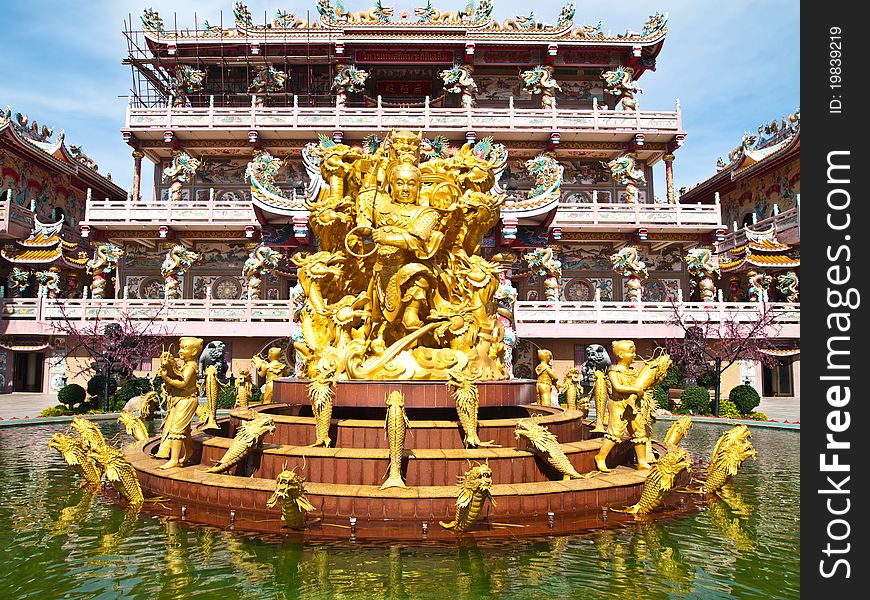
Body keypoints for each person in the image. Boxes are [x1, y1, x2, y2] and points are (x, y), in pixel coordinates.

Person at [594, 339, 651, 472]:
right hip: (619, 405)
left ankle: (642, 462)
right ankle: (601, 457)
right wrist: (636, 390)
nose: (635, 355)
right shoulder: (614, 372)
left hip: (633, 406)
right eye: (632, 352)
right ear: (621, 355)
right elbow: (618, 387)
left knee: (639, 431)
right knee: (615, 432)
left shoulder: (633, 372)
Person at [155, 337, 203, 470]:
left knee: (176, 430)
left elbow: (183, 384)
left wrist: (166, 378)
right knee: (185, 430)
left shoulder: (191, 367)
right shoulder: (186, 366)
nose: (180, 351)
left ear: (193, 352)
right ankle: (190, 451)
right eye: (180, 348)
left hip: (186, 401)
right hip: (182, 400)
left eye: (184, 348)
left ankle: (174, 459)